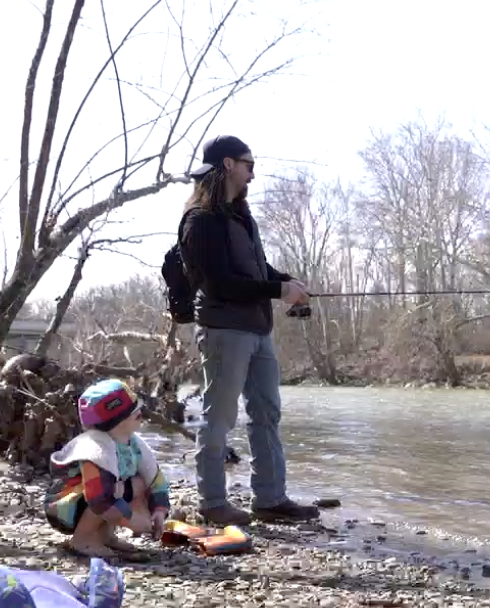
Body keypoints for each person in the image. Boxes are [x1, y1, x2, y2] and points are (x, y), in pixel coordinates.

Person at [180, 134, 320, 526]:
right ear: (228, 165)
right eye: (249, 164)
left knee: (267, 414)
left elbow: (257, 272)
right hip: (224, 331)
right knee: (218, 418)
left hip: (258, 330)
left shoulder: (241, 217)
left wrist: (289, 284)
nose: (253, 174)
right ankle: (212, 503)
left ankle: (271, 499)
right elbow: (221, 283)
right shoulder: (200, 221)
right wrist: (279, 290)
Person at [44, 378, 172, 558]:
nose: (140, 413)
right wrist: (129, 519)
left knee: (137, 483)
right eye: (134, 412)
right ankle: (82, 539)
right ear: (116, 422)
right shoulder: (95, 449)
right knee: (115, 488)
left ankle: (105, 535)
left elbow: (155, 478)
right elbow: (98, 498)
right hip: (65, 506)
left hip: (98, 498)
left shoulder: (133, 444)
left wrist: (159, 510)